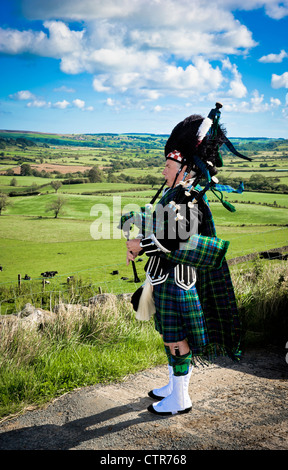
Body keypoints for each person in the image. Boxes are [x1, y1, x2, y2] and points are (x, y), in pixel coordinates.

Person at [123, 110, 245, 416]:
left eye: (168, 165)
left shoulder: (188, 198)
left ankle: (181, 397)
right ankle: (173, 386)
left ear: (186, 168)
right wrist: (134, 220)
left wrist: (140, 245)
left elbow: (175, 240)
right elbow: (159, 225)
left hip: (178, 281)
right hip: (163, 278)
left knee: (176, 336)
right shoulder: (174, 194)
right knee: (168, 333)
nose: (163, 170)